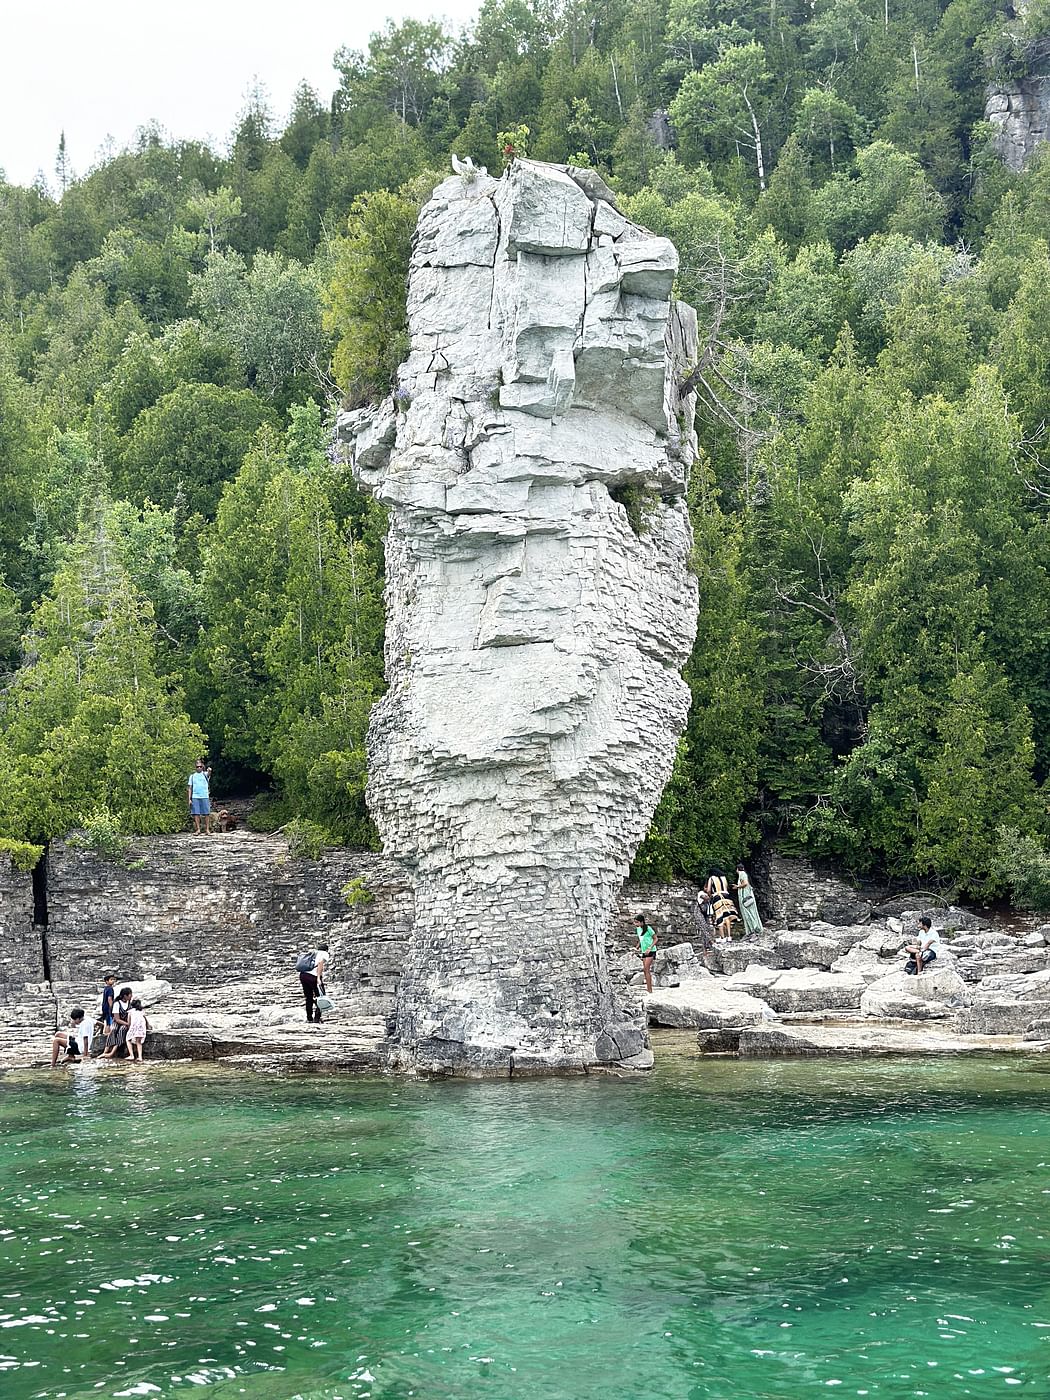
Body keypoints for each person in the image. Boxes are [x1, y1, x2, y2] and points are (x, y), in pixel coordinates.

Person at [297, 943, 330, 1024]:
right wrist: (318, 978)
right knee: (321, 997)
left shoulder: (313, 953)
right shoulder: (324, 954)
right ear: (326, 949)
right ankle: (317, 1018)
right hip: (313, 977)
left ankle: (309, 1018)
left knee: (308, 997)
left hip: (303, 975)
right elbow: (320, 964)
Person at [100, 987, 133, 1058]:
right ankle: (105, 1050)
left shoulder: (129, 1004)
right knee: (114, 1030)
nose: (131, 996)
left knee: (122, 1030)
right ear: (125, 996)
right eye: (130, 995)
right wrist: (127, 1023)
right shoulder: (117, 1004)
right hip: (118, 1022)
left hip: (125, 1023)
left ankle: (112, 1052)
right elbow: (117, 1019)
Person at [705, 872, 739, 941]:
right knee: (727, 916)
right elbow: (726, 887)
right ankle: (729, 937)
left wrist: (711, 895)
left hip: (717, 897)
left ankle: (722, 937)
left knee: (719, 916)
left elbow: (708, 890)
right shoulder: (724, 877)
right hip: (727, 896)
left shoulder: (711, 878)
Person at [733, 864, 764, 938]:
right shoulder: (745, 874)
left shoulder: (742, 874)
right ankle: (752, 930)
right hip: (748, 895)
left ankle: (753, 930)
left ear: (737, 869)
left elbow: (745, 883)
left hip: (745, 896)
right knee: (751, 912)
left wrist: (737, 886)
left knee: (748, 913)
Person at [187, 758, 213, 835]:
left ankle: (207, 829)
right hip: (195, 796)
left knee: (206, 813)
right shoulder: (192, 776)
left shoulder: (205, 774)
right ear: (195, 767)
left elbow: (209, 774)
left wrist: (209, 771)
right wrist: (189, 799)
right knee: (196, 813)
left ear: (202, 767)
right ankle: (198, 829)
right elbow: (190, 788)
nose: (199, 768)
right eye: (197, 767)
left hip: (204, 796)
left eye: (200, 766)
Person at [635, 915, 657, 994]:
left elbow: (656, 938)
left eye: (637, 922)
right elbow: (641, 940)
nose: (635, 924)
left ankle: (650, 990)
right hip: (644, 951)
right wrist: (636, 948)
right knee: (645, 971)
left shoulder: (648, 928)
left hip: (651, 951)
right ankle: (648, 988)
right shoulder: (638, 929)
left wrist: (650, 948)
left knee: (646, 969)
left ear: (641, 922)